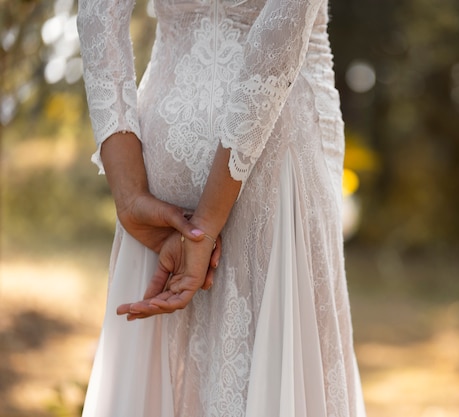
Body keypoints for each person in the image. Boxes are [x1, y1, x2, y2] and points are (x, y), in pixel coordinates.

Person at [77, 0, 366, 416]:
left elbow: (97, 13)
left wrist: (129, 192)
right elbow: (281, 31)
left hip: (162, 143)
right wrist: (205, 224)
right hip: (271, 152)